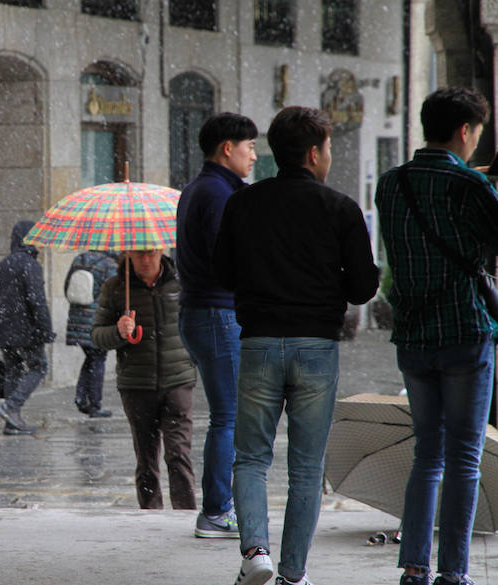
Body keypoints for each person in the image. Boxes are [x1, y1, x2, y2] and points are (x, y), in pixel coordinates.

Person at [214, 106, 379, 585]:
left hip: (260, 342)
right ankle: (293, 573)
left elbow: (222, 273)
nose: (329, 156)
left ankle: (255, 553)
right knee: (306, 469)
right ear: (313, 153)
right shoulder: (340, 208)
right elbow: (364, 288)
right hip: (316, 349)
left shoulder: (243, 203)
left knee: (250, 458)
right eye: (327, 147)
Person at [375, 87, 498, 585]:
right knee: (465, 458)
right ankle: (453, 572)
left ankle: (414, 567)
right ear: (466, 131)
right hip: (466, 334)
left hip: (413, 337)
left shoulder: (391, 184)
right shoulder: (470, 187)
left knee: (427, 455)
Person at [176, 112, 258, 539]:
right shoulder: (218, 193)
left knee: (225, 416)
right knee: (228, 417)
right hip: (217, 313)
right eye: (249, 148)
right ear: (228, 148)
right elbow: (227, 258)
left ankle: (217, 507)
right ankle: (215, 511)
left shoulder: (199, 188)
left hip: (200, 313)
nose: (254, 156)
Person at [91, 249, 198, 509]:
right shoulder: (116, 287)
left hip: (178, 380)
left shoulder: (181, 283)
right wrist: (117, 331)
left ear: (161, 251)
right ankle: (150, 514)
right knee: (146, 459)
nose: (146, 260)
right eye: (139, 254)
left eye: (151, 253)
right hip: (136, 384)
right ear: (128, 254)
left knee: (178, 454)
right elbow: (96, 336)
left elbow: (198, 324)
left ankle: (185, 511)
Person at [0, 220, 56, 435]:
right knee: (39, 367)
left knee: (13, 370)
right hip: (27, 331)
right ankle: (12, 407)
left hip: (5, 330)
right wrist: (45, 330)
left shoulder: (0, 267)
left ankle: (12, 423)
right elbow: (37, 301)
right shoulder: (30, 265)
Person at [64, 250, 118, 418]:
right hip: (97, 319)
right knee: (98, 359)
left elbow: (67, 287)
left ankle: (82, 398)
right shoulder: (110, 265)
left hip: (77, 319)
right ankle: (95, 404)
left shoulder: (79, 259)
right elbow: (115, 295)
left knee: (92, 357)